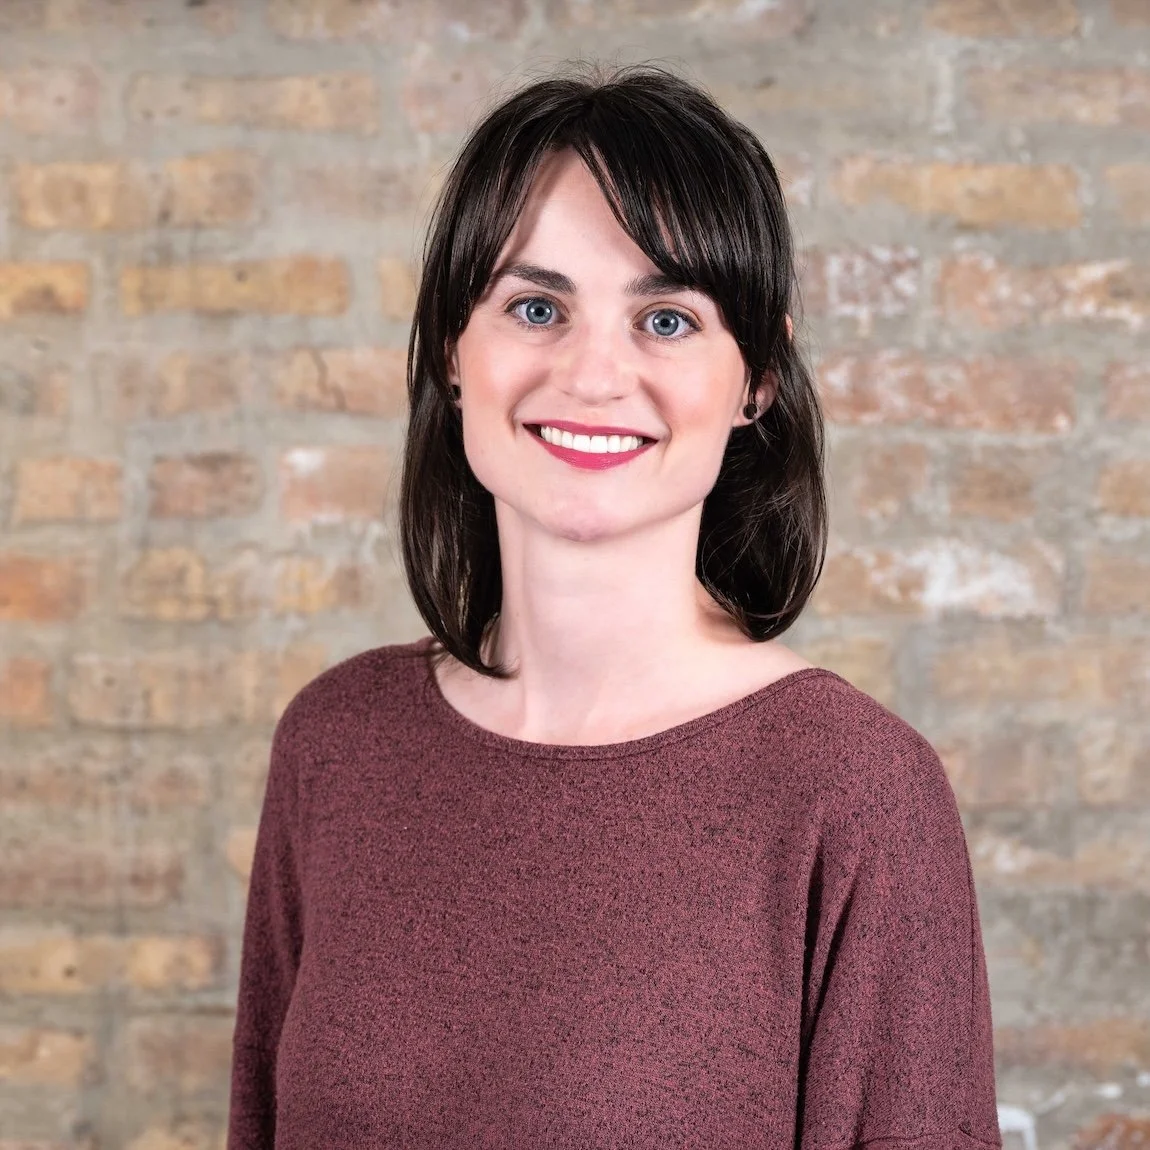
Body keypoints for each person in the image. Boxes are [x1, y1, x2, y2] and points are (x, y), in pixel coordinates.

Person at [227, 62, 1003, 1149]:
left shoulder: (856, 790)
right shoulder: (337, 741)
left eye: (667, 320)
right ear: (453, 349)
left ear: (756, 377)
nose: (593, 375)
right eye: (536, 308)